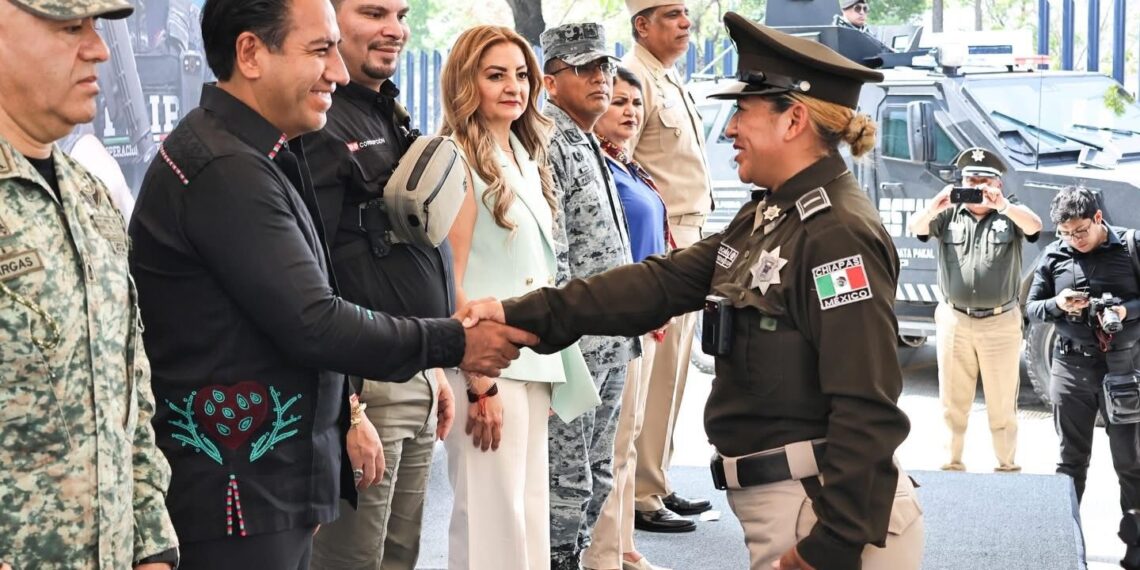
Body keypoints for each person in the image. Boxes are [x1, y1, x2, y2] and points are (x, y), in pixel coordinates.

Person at [460, 13, 927, 570]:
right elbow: (657, 283)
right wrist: (516, 312)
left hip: (822, 516)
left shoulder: (835, 233)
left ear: (794, 119)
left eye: (743, 111)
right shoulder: (771, 215)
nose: (729, 129)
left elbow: (866, 403)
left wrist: (833, 543)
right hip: (794, 507)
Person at [128, 0, 535, 567]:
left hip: (277, 474)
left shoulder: (255, 150)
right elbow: (314, 320)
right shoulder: (227, 170)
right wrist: (455, 343)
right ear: (250, 52)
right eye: (321, 50)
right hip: (241, 493)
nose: (338, 71)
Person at [0, 0, 179, 568]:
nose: (99, 49)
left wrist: (151, 546)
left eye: (97, 29)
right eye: (71, 27)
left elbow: (130, 397)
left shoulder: (92, 197)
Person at [300, 1, 455, 568]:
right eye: (373, 12)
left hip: (412, 367)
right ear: (331, 22)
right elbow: (312, 279)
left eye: (401, 13)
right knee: (352, 558)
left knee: (399, 555)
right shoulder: (321, 122)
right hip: (366, 384)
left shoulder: (386, 111)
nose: (394, 29)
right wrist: (350, 410)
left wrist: (433, 367)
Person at [438, 25, 598, 570]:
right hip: (488, 368)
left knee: (527, 519)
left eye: (522, 74)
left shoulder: (526, 154)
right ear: (466, 82)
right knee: (491, 527)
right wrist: (478, 381)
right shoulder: (453, 157)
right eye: (495, 74)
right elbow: (448, 281)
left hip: (536, 362)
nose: (514, 86)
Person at [541, 22, 639, 570]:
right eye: (584, 68)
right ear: (551, 80)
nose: (601, 77)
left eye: (604, 66)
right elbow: (555, 256)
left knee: (597, 470)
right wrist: (565, 345)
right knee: (567, 476)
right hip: (577, 347)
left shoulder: (585, 136)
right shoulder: (548, 138)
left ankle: (571, 557)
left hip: (611, 340)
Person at [622, 0, 714, 533]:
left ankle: (656, 479)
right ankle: (638, 494)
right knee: (653, 376)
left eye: (686, 14)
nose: (686, 24)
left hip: (688, 235)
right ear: (642, 24)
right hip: (665, 238)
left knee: (675, 373)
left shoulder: (669, 78)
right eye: (674, 14)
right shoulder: (636, 78)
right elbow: (623, 165)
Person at [582, 67, 675, 570]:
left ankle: (623, 547)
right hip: (617, 322)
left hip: (648, 319)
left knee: (629, 442)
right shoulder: (597, 168)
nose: (629, 112)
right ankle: (603, 556)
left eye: (636, 104)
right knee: (611, 446)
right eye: (618, 102)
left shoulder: (628, 166)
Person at [908, 147, 1042, 473]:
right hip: (955, 319)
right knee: (952, 403)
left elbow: (1035, 225)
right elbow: (917, 227)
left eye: (984, 181)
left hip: (1000, 322)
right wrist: (932, 206)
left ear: (997, 183)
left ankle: (1007, 466)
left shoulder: (1009, 212)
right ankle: (950, 465)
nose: (977, 187)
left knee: (1001, 404)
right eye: (970, 180)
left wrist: (1004, 205)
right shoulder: (948, 214)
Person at [1026, 186, 1140, 526]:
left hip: (1124, 367)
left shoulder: (1132, 246)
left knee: (1131, 461)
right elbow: (1032, 308)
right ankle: (1066, 539)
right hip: (1070, 368)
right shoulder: (1053, 254)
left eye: (1081, 231)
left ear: (1098, 218)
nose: (1074, 239)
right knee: (1070, 460)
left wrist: (1123, 311)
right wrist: (1057, 305)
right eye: (1066, 233)